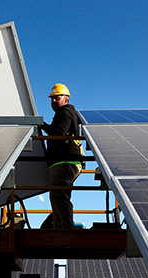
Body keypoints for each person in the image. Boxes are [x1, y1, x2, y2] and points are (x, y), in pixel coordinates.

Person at [40, 84, 84, 229]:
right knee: (58, 196)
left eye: (56, 97)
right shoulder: (67, 113)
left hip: (64, 161)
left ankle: (66, 230)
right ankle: (59, 228)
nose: (53, 101)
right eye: (52, 98)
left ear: (66, 98)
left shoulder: (65, 112)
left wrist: (42, 125)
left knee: (59, 197)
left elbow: (58, 132)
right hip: (64, 161)